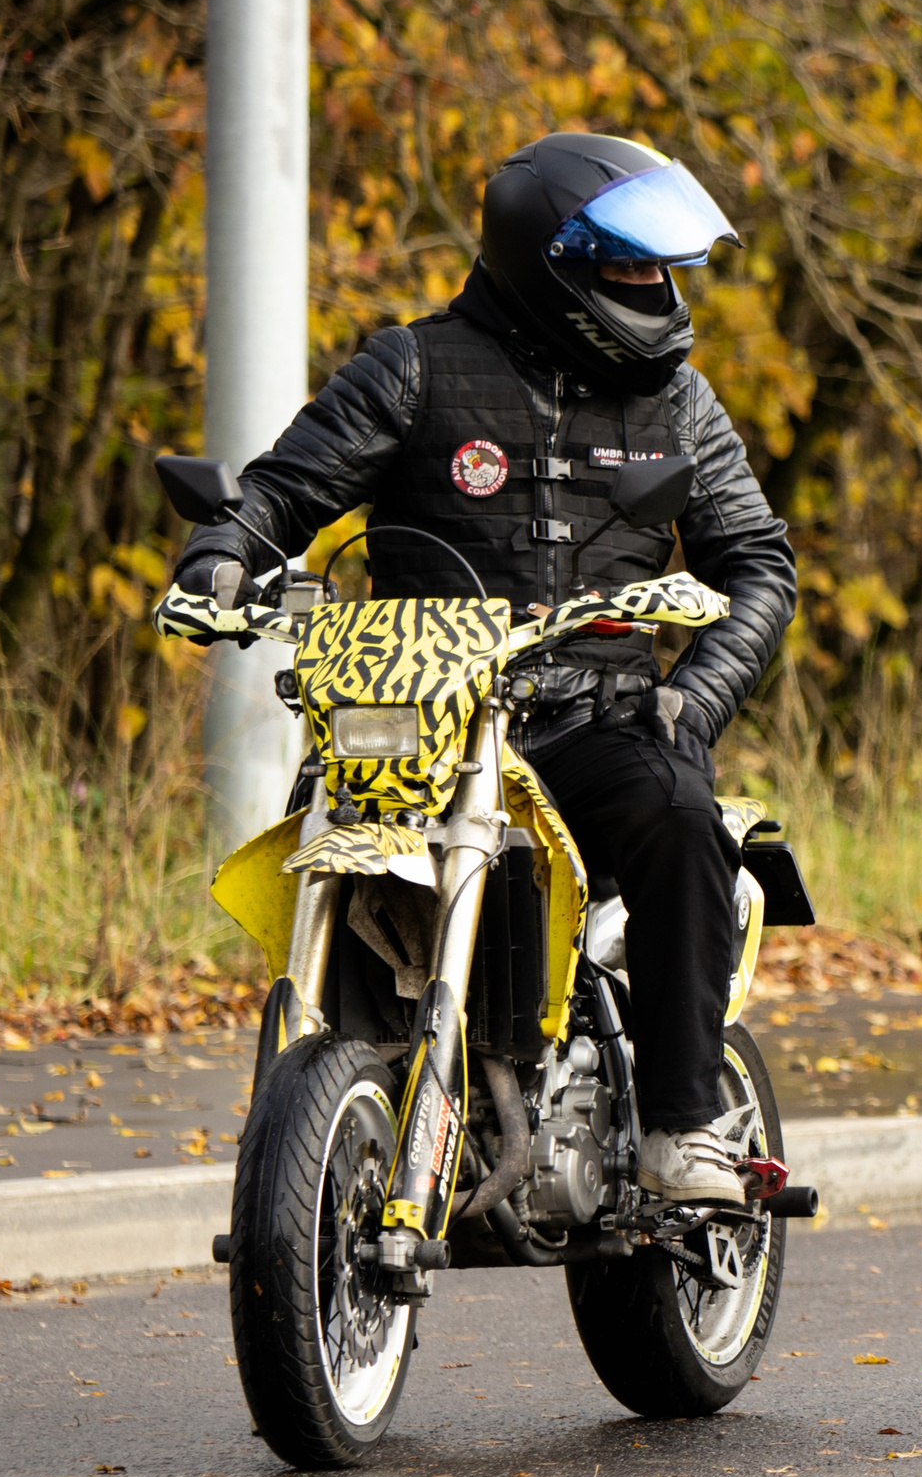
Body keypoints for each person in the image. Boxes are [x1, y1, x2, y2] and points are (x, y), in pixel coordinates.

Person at [167, 133, 797, 1206]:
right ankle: (320, 1123)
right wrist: (222, 555)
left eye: (659, 269)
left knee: (682, 813)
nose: (652, 288)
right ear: (549, 261)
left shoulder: (679, 404)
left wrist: (696, 692)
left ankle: (683, 1129)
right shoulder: (413, 369)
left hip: (594, 726)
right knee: (317, 818)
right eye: (629, 267)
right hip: (422, 721)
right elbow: (281, 494)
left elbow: (755, 563)